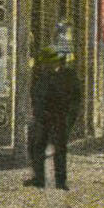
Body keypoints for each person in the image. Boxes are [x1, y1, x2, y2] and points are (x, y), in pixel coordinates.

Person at [24, 34, 82, 191]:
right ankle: (39, 178)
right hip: (43, 117)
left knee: (60, 149)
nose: (47, 65)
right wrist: (36, 111)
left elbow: (76, 98)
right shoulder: (42, 75)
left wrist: (71, 117)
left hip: (60, 117)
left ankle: (61, 181)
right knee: (37, 146)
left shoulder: (69, 76)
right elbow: (35, 92)